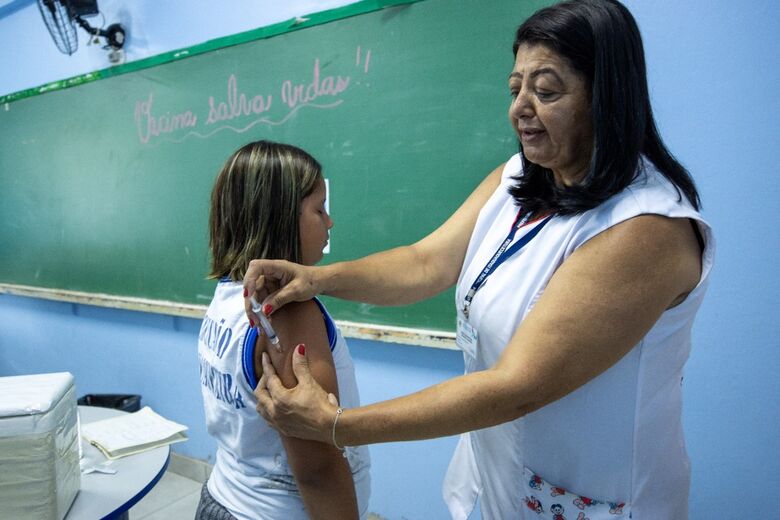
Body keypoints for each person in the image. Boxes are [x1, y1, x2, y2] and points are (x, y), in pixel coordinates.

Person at [244, 1, 714, 518]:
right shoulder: (519, 179)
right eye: (515, 89)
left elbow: (516, 387)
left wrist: (337, 425)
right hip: (504, 479)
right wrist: (317, 279)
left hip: (596, 493)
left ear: (607, 97)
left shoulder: (645, 229)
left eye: (546, 91)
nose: (520, 109)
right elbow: (425, 263)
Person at [195, 140, 370, 520]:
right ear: (281, 218)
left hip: (221, 498)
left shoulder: (228, 293)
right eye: (319, 210)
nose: (329, 222)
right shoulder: (289, 311)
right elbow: (318, 468)